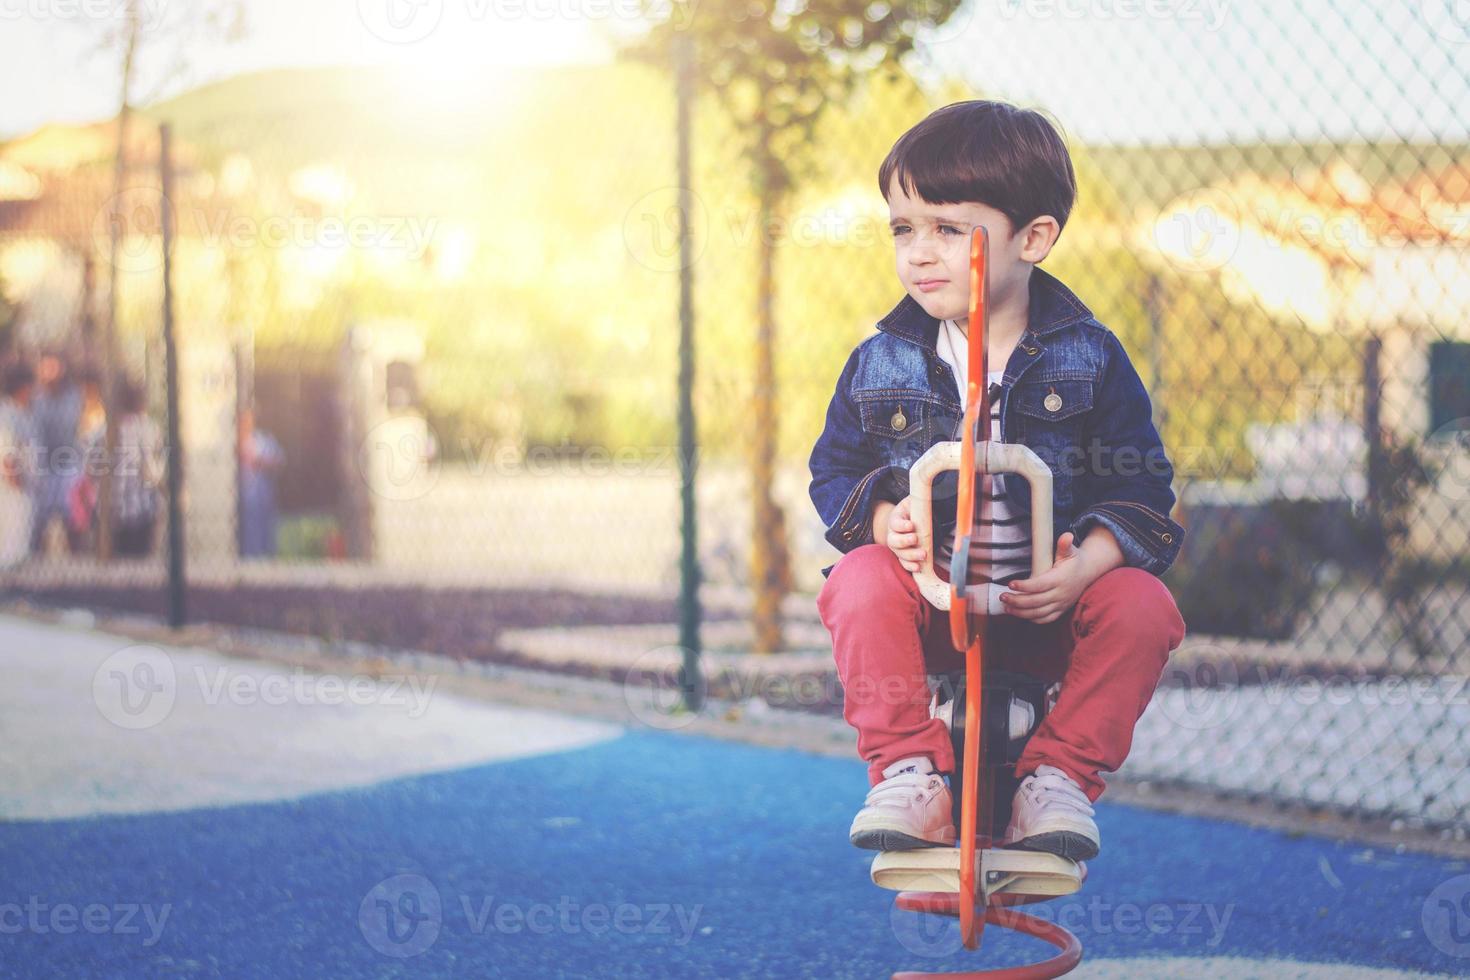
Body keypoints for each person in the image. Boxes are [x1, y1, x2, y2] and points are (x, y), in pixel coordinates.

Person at [809, 101, 1187, 863]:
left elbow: (1144, 490)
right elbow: (835, 472)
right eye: (903, 228)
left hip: (1048, 604)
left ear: (1034, 237)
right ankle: (910, 774)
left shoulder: (1091, 357)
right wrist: (886, 524)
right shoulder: (880, 362)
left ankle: (1059, 780)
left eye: (948, 230)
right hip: (930, 605)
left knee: (1144, 606)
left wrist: (1087, 562)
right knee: (858, 580)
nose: (919, 252)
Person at [27, 351, 84, 555]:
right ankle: (35, 558)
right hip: (43, 465)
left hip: (67, 463)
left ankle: (78, 559)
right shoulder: (34, 398)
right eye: (46, 367)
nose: (51, 372)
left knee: (73, 519)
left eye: (55, 366)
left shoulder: (73, 396)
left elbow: (72, 427)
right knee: (38, 519)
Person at [108, 378, 163, 557]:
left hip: (113, 510)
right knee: (141, 563)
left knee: (118, 561)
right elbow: (154, 474)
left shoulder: (106, 429)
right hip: (143, 510)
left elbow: (91, 469)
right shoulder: (150, 428)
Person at [0, 360, 37, 567]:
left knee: (21, 543)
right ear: (23, 387)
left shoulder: (24, 412)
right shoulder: (7, 413)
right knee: (11, 544)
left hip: (25, 486)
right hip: (12, 488)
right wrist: (15, 478)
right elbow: (7, 452)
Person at [238, 407, 284, 558]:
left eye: (248, 419)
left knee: (265, 528)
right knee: (247, 531)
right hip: (242, 497)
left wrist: (261, 462)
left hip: (262, 494)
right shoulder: (234, 442)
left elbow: (279, 460)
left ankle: (266, 557)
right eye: (242, 419)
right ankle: (249, 558)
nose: (246, 422)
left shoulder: (263, 440)